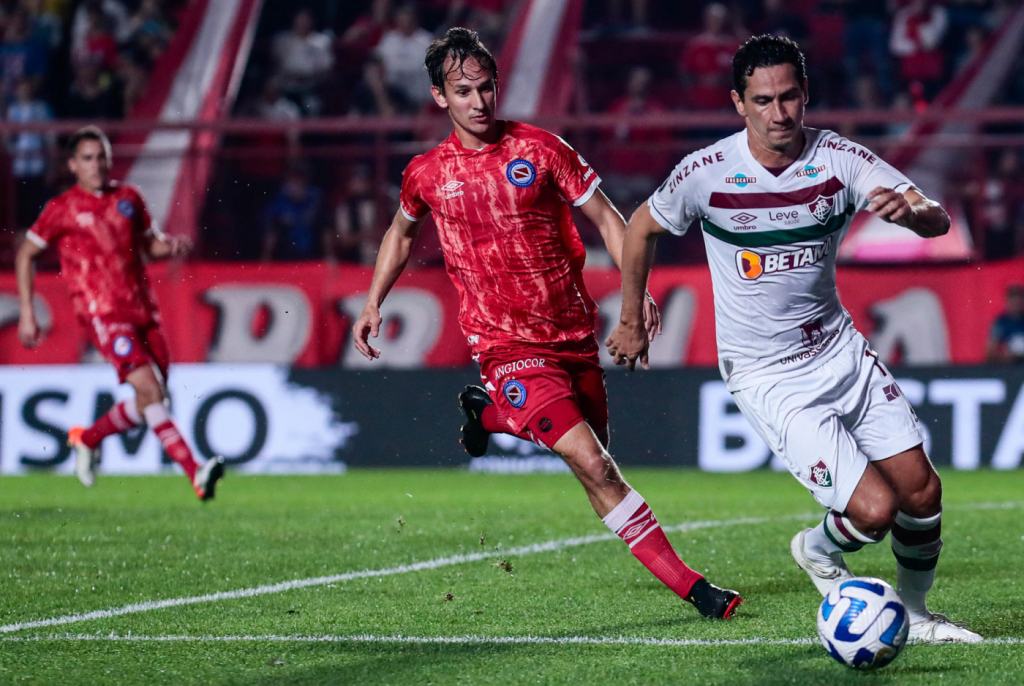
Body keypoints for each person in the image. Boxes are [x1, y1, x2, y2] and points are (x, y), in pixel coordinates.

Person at [352, 27, 741, 620]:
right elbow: (401, 233)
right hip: (503, 344)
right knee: (595, 464)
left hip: (572, 334)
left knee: (597, 456)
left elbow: (611, 221)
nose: (479, 102)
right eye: (464, 92)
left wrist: (634, 299)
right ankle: (696, 590)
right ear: (440, 98)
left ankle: (488, 413)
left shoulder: (541, 149)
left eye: (486, 88)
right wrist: (374, 299)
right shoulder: (427, 173)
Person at [606, 34, 980, 643]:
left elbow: (934, 215)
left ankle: (915, 614)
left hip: (839, 349)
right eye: (762, 100)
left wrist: (912, 215)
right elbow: (642, 227)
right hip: (767, 373)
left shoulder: (840, 160)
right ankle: (813, 548)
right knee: (872, 512)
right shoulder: (706, 173)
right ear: (738, 103)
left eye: (788, 98)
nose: (778, 114)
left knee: (922, 491)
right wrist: (630, 315)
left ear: (805, 95)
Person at [15, 126, 225, 499]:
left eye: (102, 156)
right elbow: (26, 254)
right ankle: (195, 473)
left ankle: (88, 437)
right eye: (88, 158)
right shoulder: (61, 209)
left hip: (142, 309)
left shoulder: (129, 198)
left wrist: (170, 247)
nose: (97, 165)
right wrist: (28, 310)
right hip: (102, 314)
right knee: (150, 390)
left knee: (153, 399)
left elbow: (148, 245)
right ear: (73, 165)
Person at [987, 284, 1024, 363]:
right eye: (1013, 298)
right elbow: (989, 352)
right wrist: (1006, 356)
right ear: (1007, 300)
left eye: (1019, 298)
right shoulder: (1000, 323)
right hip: (1008, 369)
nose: (1016, 302)